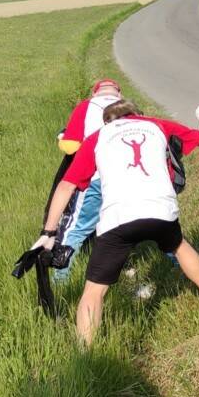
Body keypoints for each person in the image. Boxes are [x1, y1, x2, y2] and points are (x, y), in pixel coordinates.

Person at [35, 100, 199, 345]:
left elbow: (66, 185)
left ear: (108, 121)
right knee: (179, 246)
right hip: (161, 211)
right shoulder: (156, 125)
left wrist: (49, 231)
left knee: (94, 290)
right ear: (136, 114)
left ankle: (84, 352)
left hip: (118, 218)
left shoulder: (97, 137)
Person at [49, 79, 122, 281]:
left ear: (94, 92)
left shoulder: (85, 107)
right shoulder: (130, 107)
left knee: (75, 231)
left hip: (95, 177)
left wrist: (62, 137)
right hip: (128, 179)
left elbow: (70, 146)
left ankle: (59, 282)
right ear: (119, 93)